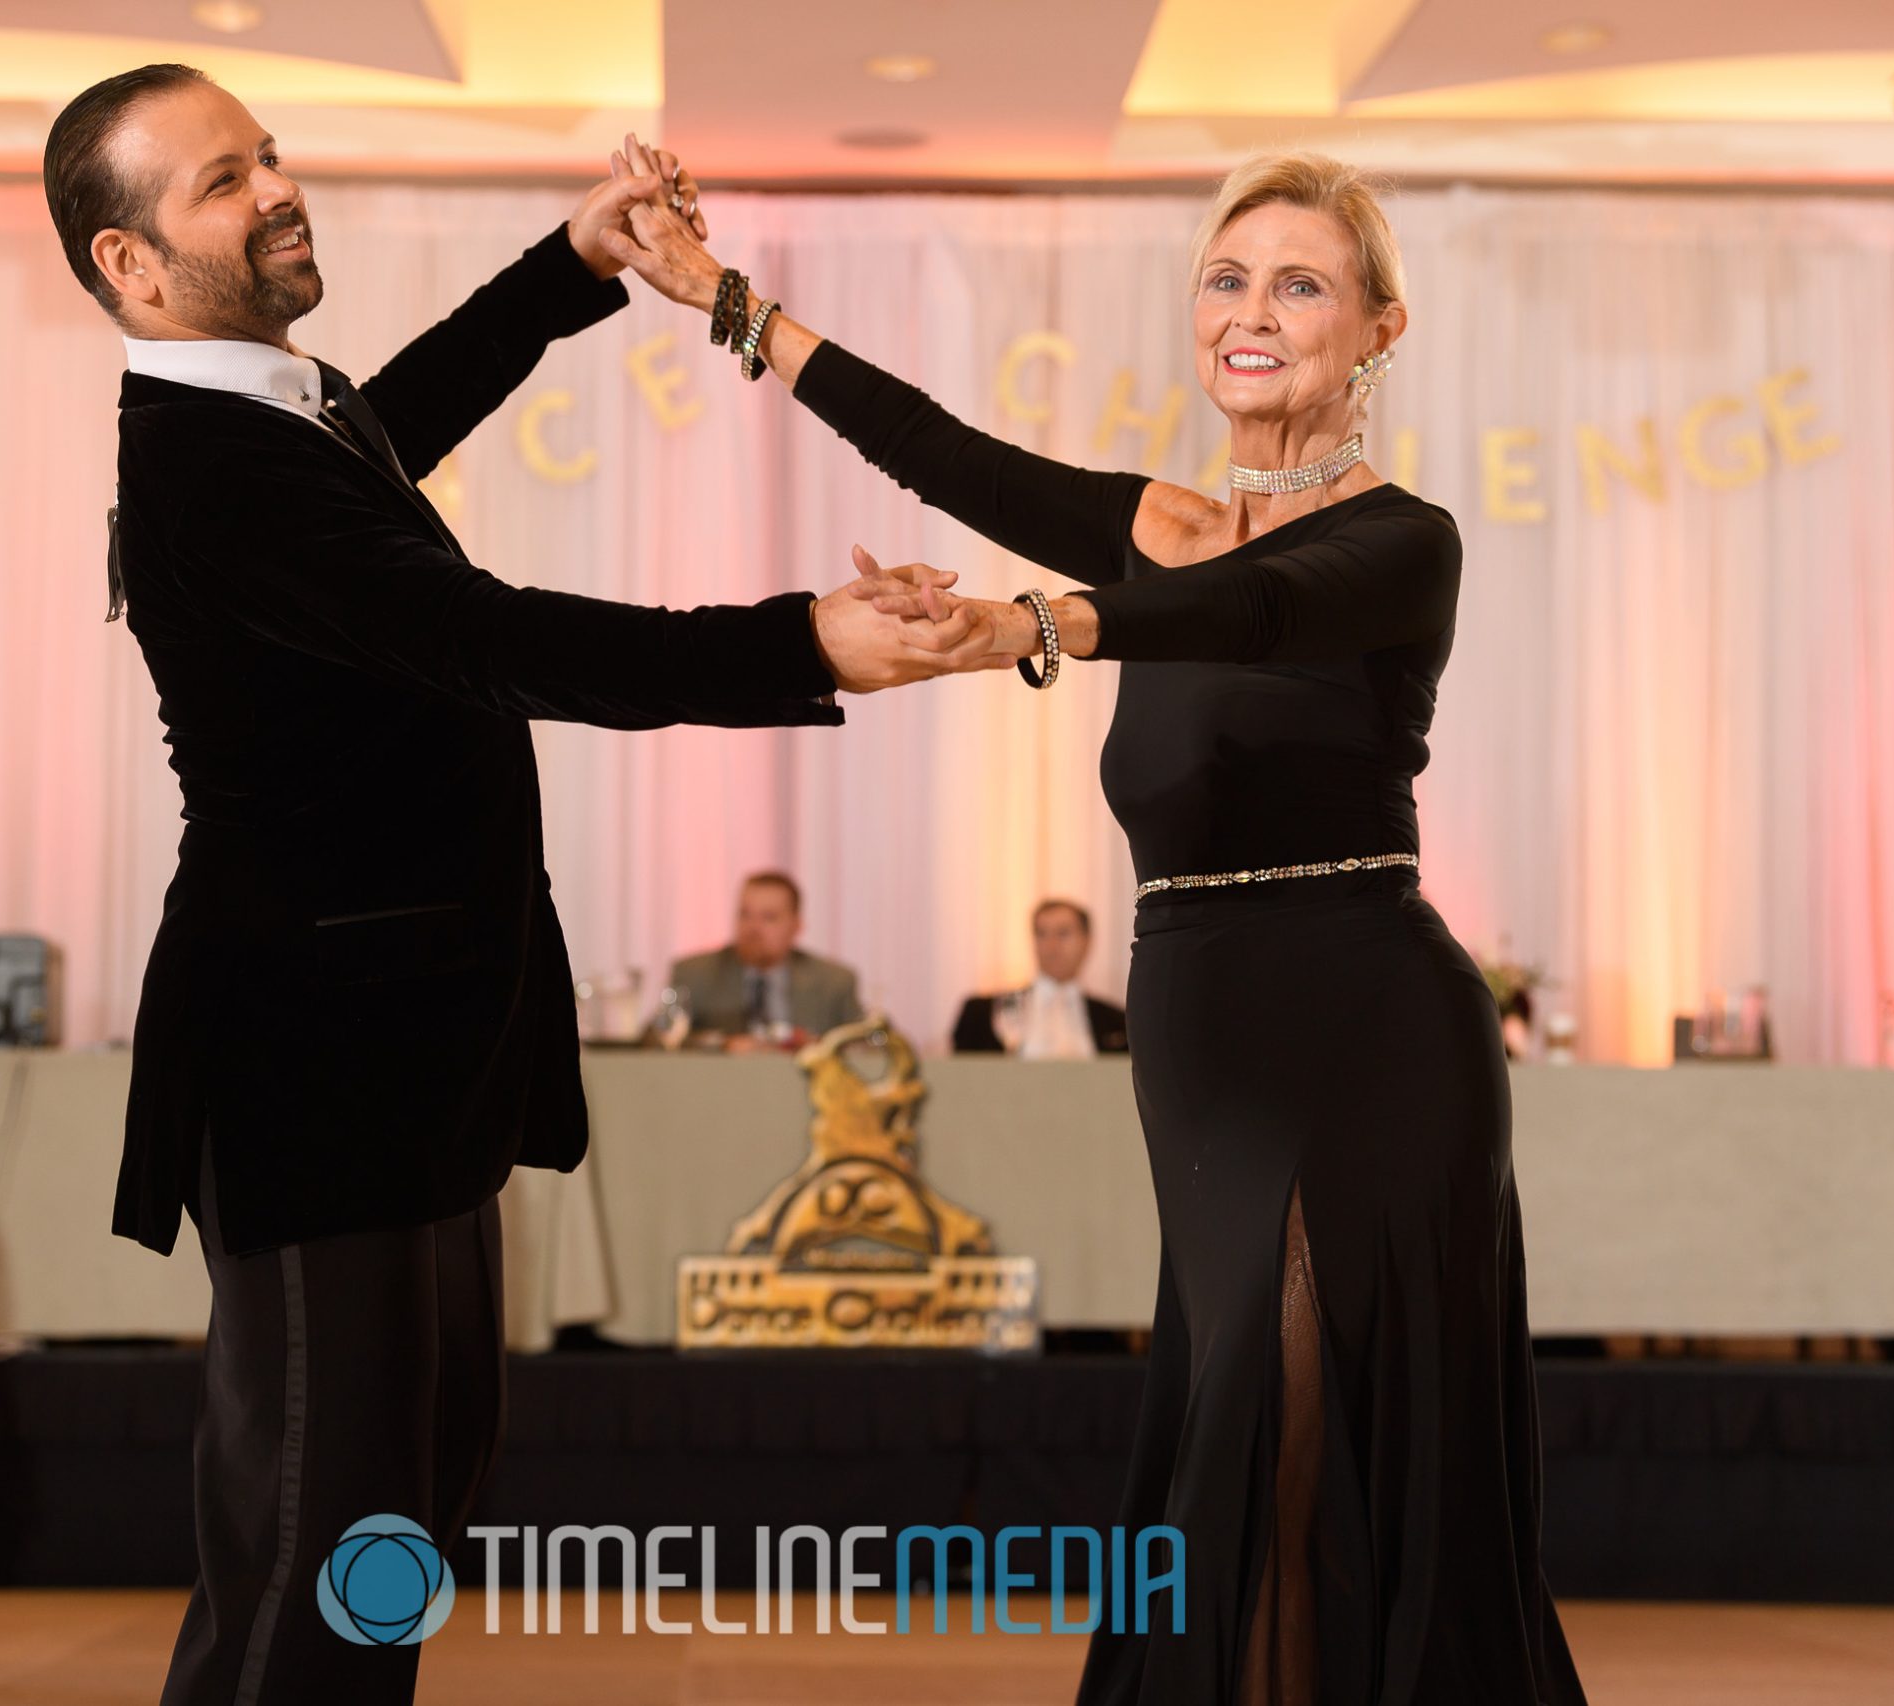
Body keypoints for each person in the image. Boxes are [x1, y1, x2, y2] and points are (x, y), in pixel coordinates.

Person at [606, 147, 1588, 1703]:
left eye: (1300, 282)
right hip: (1200, 1037)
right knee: (1233, 1427)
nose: (1249, 311)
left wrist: (1029, 626)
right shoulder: (1156, 525)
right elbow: (940, 453)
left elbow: (1251, 611)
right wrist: (726, 299)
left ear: (1381, 329)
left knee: (1309, 1427)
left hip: (1371, 1029)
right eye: (1225, 275)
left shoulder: (1404, 542)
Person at [42, 69, 931, 1706]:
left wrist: (573, 263)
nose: (278, 189)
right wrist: (803, 641)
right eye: (226, 180)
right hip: (316, 1078)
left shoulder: (275, 408)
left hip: (402, 1069)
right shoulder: (211, 466)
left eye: (270, 156)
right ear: (131, 266)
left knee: (394, 1525)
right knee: (324, 1549)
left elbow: (405, 415)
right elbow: (490, 640)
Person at [667, 871, 867, 1043]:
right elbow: (659, 1040)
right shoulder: (695, 975)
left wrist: (814, 1045)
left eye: (769, 917)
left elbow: (866, 1045)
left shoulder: (833, 983)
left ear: (796, 926)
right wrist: (723, 1045)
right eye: (745, 914)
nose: (753, 928)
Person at [952, 899, 1129, 1057]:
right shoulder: (984, 1013)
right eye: (1041, 934)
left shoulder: (1118, 1022)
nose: (1051, 945)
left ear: (1086, 941)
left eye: (1063, 933)